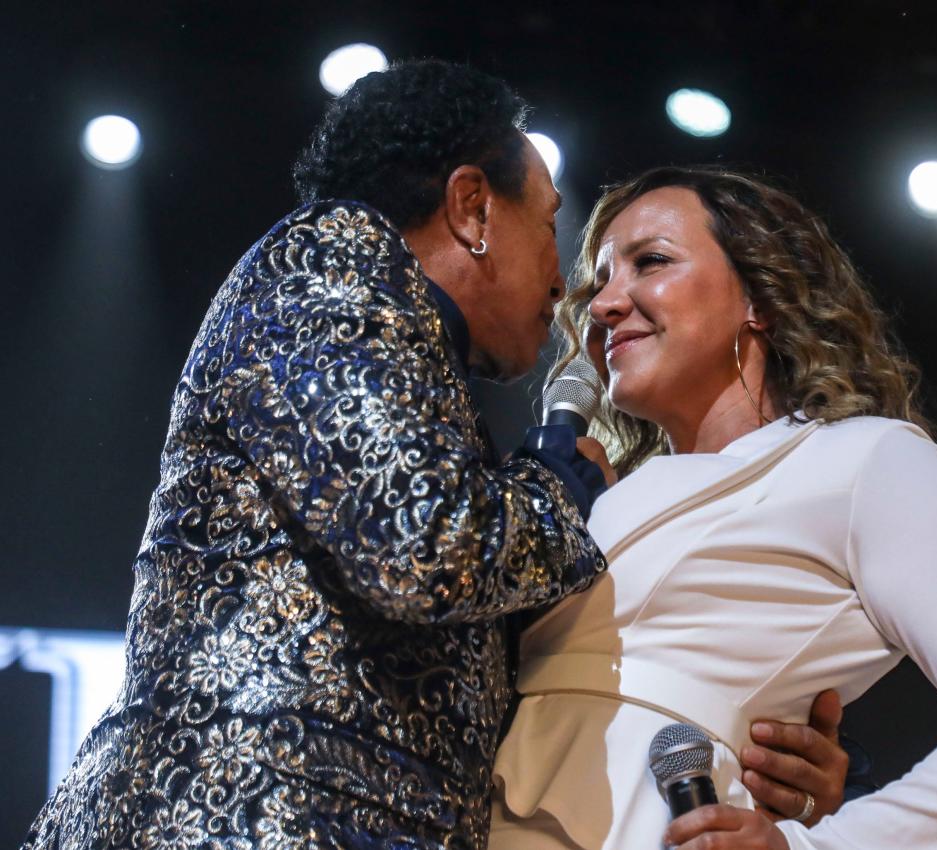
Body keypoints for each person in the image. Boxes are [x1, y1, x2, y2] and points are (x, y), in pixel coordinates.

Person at [21, 62, 849, 850]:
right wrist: (561, 480)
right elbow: (426, 549)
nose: (568, 289)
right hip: (241, 816)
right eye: (549, 224)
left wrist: (743, 743)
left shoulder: (419, 377)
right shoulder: (326, 259)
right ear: (471, 208)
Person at [488, 166, 937, 850]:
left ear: (760, 295)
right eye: (601, 279)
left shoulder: (866, 461)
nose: (605, 304)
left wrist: (816, 844)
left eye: (650, 263)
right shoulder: (595, 497)